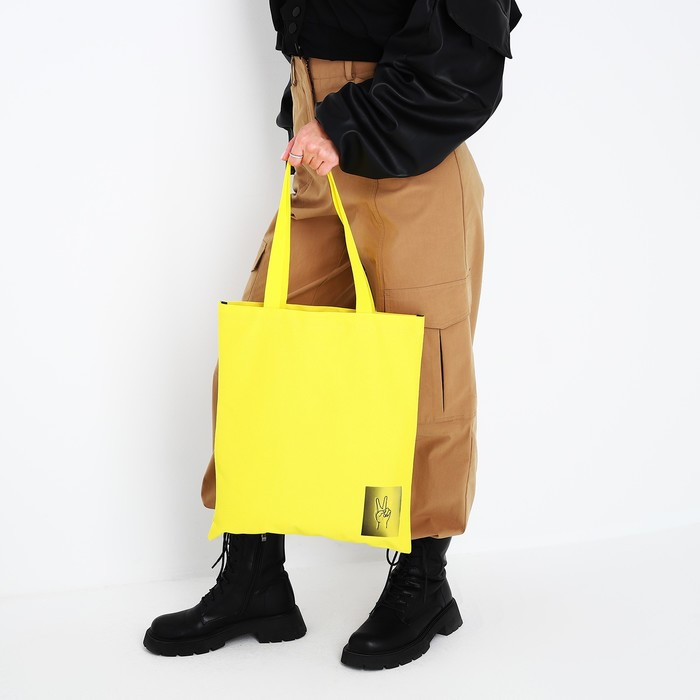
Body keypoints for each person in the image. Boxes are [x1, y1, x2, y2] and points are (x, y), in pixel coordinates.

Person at [143, 0, 522, 670]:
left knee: (422, 383)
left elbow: (466, 54)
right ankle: (255, 580)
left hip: (410, 155)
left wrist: (346, 121)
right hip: (317, 150)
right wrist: (316, 110)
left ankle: (425, 582)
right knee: (263, 361)